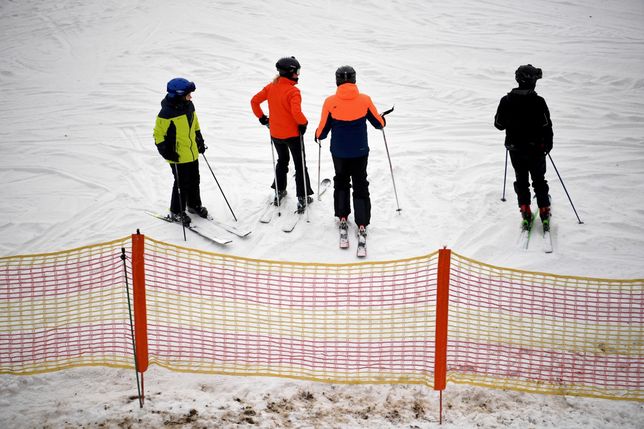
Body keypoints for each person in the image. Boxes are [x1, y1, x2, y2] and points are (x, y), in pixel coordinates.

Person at [315, 65, 386, 240]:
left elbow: (322, 132)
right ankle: (362, 222)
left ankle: (343, 216)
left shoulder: (330, 102)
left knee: (341, 181)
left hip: (339, 152)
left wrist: (316, 135)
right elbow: (379, 124)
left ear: (337, 80)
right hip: (360, 151)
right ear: (354, 79)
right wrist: (382, 118)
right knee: (360, 183)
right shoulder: (365, 100)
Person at [251, 56, 313, 213]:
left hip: (276, 134)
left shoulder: (271, 87)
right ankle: (303, 196)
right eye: (297, 72)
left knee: (282, 160)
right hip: (292, 135)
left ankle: (279, 191)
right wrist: (304, 123)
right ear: (290, 72)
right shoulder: (293, 91)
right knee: (299, 165)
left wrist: (263, 119)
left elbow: (254, 101)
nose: (298, 75)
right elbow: (296, 113)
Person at [494, 64, 553, 229]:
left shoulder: (506, 101)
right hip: (536, 149)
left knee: (521, 180)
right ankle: (543, 210)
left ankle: (525, 210)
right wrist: (548, 145)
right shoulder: (538, 101)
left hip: (515, 148)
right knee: (539, 180)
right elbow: (547, 126)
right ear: (532, 82)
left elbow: (499, 124)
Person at [153, 77, 208, 225]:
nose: (191, 97)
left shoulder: (189, 105)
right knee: (181, 183)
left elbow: (195, 122)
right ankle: (176, 211)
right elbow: (158, 135)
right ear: (178, 95)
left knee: (194, 179)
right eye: (188, 94)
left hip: (191, 152)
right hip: (177, 156)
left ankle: (193, 205)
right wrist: (166, 152)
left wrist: (199, 139)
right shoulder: (166, 113)